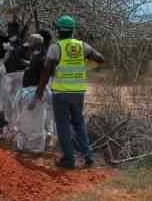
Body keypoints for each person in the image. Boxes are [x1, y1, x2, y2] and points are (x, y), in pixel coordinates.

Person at [32, 15, 104, 169]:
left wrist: (38, 92)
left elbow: (46, 72)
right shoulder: (82, 46)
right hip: (78, 92)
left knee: (63, 125)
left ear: (58, 31)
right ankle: (88, 156)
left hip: (61, 93)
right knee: (79, 124)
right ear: (72, 30)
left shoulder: (55, 47)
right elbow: (100, 59)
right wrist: (85, 66)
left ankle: (69, 159)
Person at [12, 33, 53, 153]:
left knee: (36, 123)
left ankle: (35, 149)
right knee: (26, 120)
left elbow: (43, 79)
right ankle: (25, 146)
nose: (28, 45)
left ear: (37, 44)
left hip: (35, 92)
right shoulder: (35, 56)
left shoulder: (44, 58)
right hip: (28, 91)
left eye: (31, 43)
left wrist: (36, 97)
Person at [2, 21, 29, 130]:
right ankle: (10, 124)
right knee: (7, 100)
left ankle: (18, 125)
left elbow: (24, 57)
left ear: (16, 31)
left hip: (19, 74)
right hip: (7, 75)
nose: (8, 31)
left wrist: (13, 50)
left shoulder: (23, 44)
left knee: (17, 100)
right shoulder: (5, 43)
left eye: (11, 29)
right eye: (8, 29)